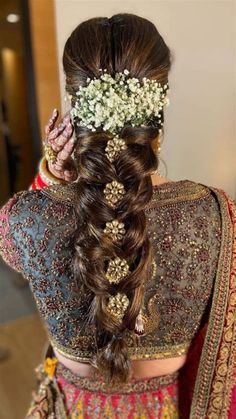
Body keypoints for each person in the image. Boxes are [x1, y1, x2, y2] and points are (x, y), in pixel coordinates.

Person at [0, 13, 235, 419]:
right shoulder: (218, 214)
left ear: (78, 106)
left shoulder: (26, 217)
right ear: (159, 104)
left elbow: (18, 257)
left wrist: (52, 178)